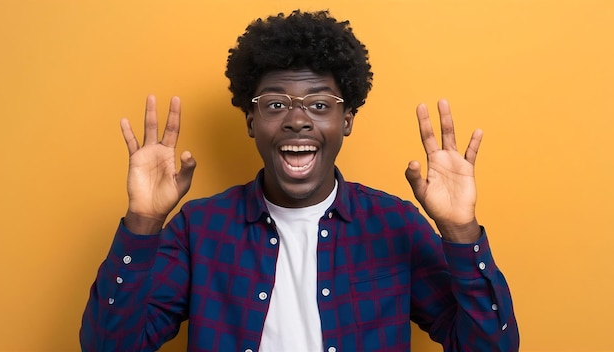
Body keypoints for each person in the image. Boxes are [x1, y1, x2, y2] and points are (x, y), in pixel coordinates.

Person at [81, 10, 519, 352]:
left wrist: (461, 232)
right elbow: (110, 347)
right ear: (251, 121)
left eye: (319, 105)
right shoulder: (200, 229)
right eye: (275, 105)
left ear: (346, 120)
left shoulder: (395, 225)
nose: (296, 120)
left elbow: (489, 347)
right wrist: (142, 223)